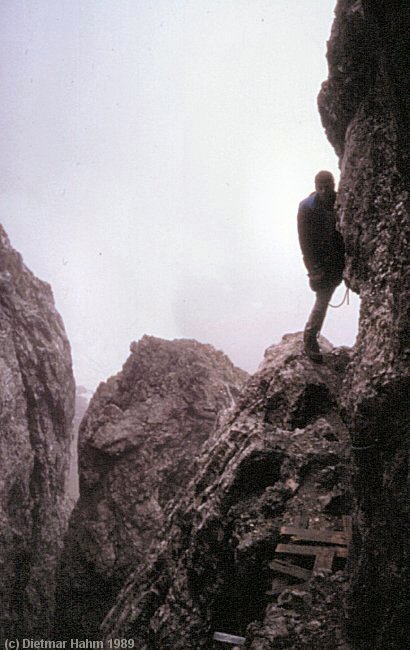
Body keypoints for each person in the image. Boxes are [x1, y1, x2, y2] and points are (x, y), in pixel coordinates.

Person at [297, 170, 345, 362]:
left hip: (340, 257)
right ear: (316, 188)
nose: (324, 191)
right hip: (323, 263)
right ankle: (310, 338)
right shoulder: (307, 207)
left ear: (333, 185)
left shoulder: (342, 200)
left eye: (328, 187)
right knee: (323, 299)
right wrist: (313, 270)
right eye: (320, 188)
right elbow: (305, 242)